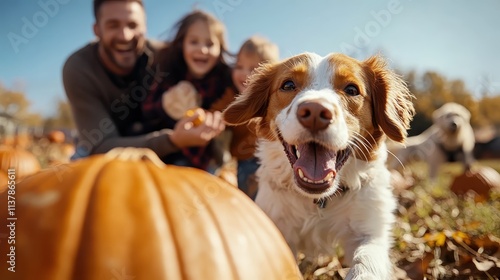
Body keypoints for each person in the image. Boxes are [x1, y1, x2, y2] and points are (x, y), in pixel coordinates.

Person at [63, 0, 222, 160]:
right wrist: (172, 140)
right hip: (110, 158)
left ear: (145, 27)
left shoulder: (164, 56)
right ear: (97, 30)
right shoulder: (79, 69)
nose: (125, 36)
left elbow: (213, 74)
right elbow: (101, 147)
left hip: (163, 157)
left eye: (133, 25)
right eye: (113, 25)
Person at [141, 10, 235, 174]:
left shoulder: (224, 82)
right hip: (168, 156)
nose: (202, 50)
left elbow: (232, 113)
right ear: (182, 44)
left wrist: (218, 119)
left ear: (220, 48)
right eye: (194, 42)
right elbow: (146, 110)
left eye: (209, 44)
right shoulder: (169, 75)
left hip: (207, 160)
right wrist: (165, 104)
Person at [230, 35, 279, 198]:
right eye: (239, 66)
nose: (244, 74)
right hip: (247, 160)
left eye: (252, 70)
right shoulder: (230, 98)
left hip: (274, 156)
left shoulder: (272, 100)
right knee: (251, 195)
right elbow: (220, 115)